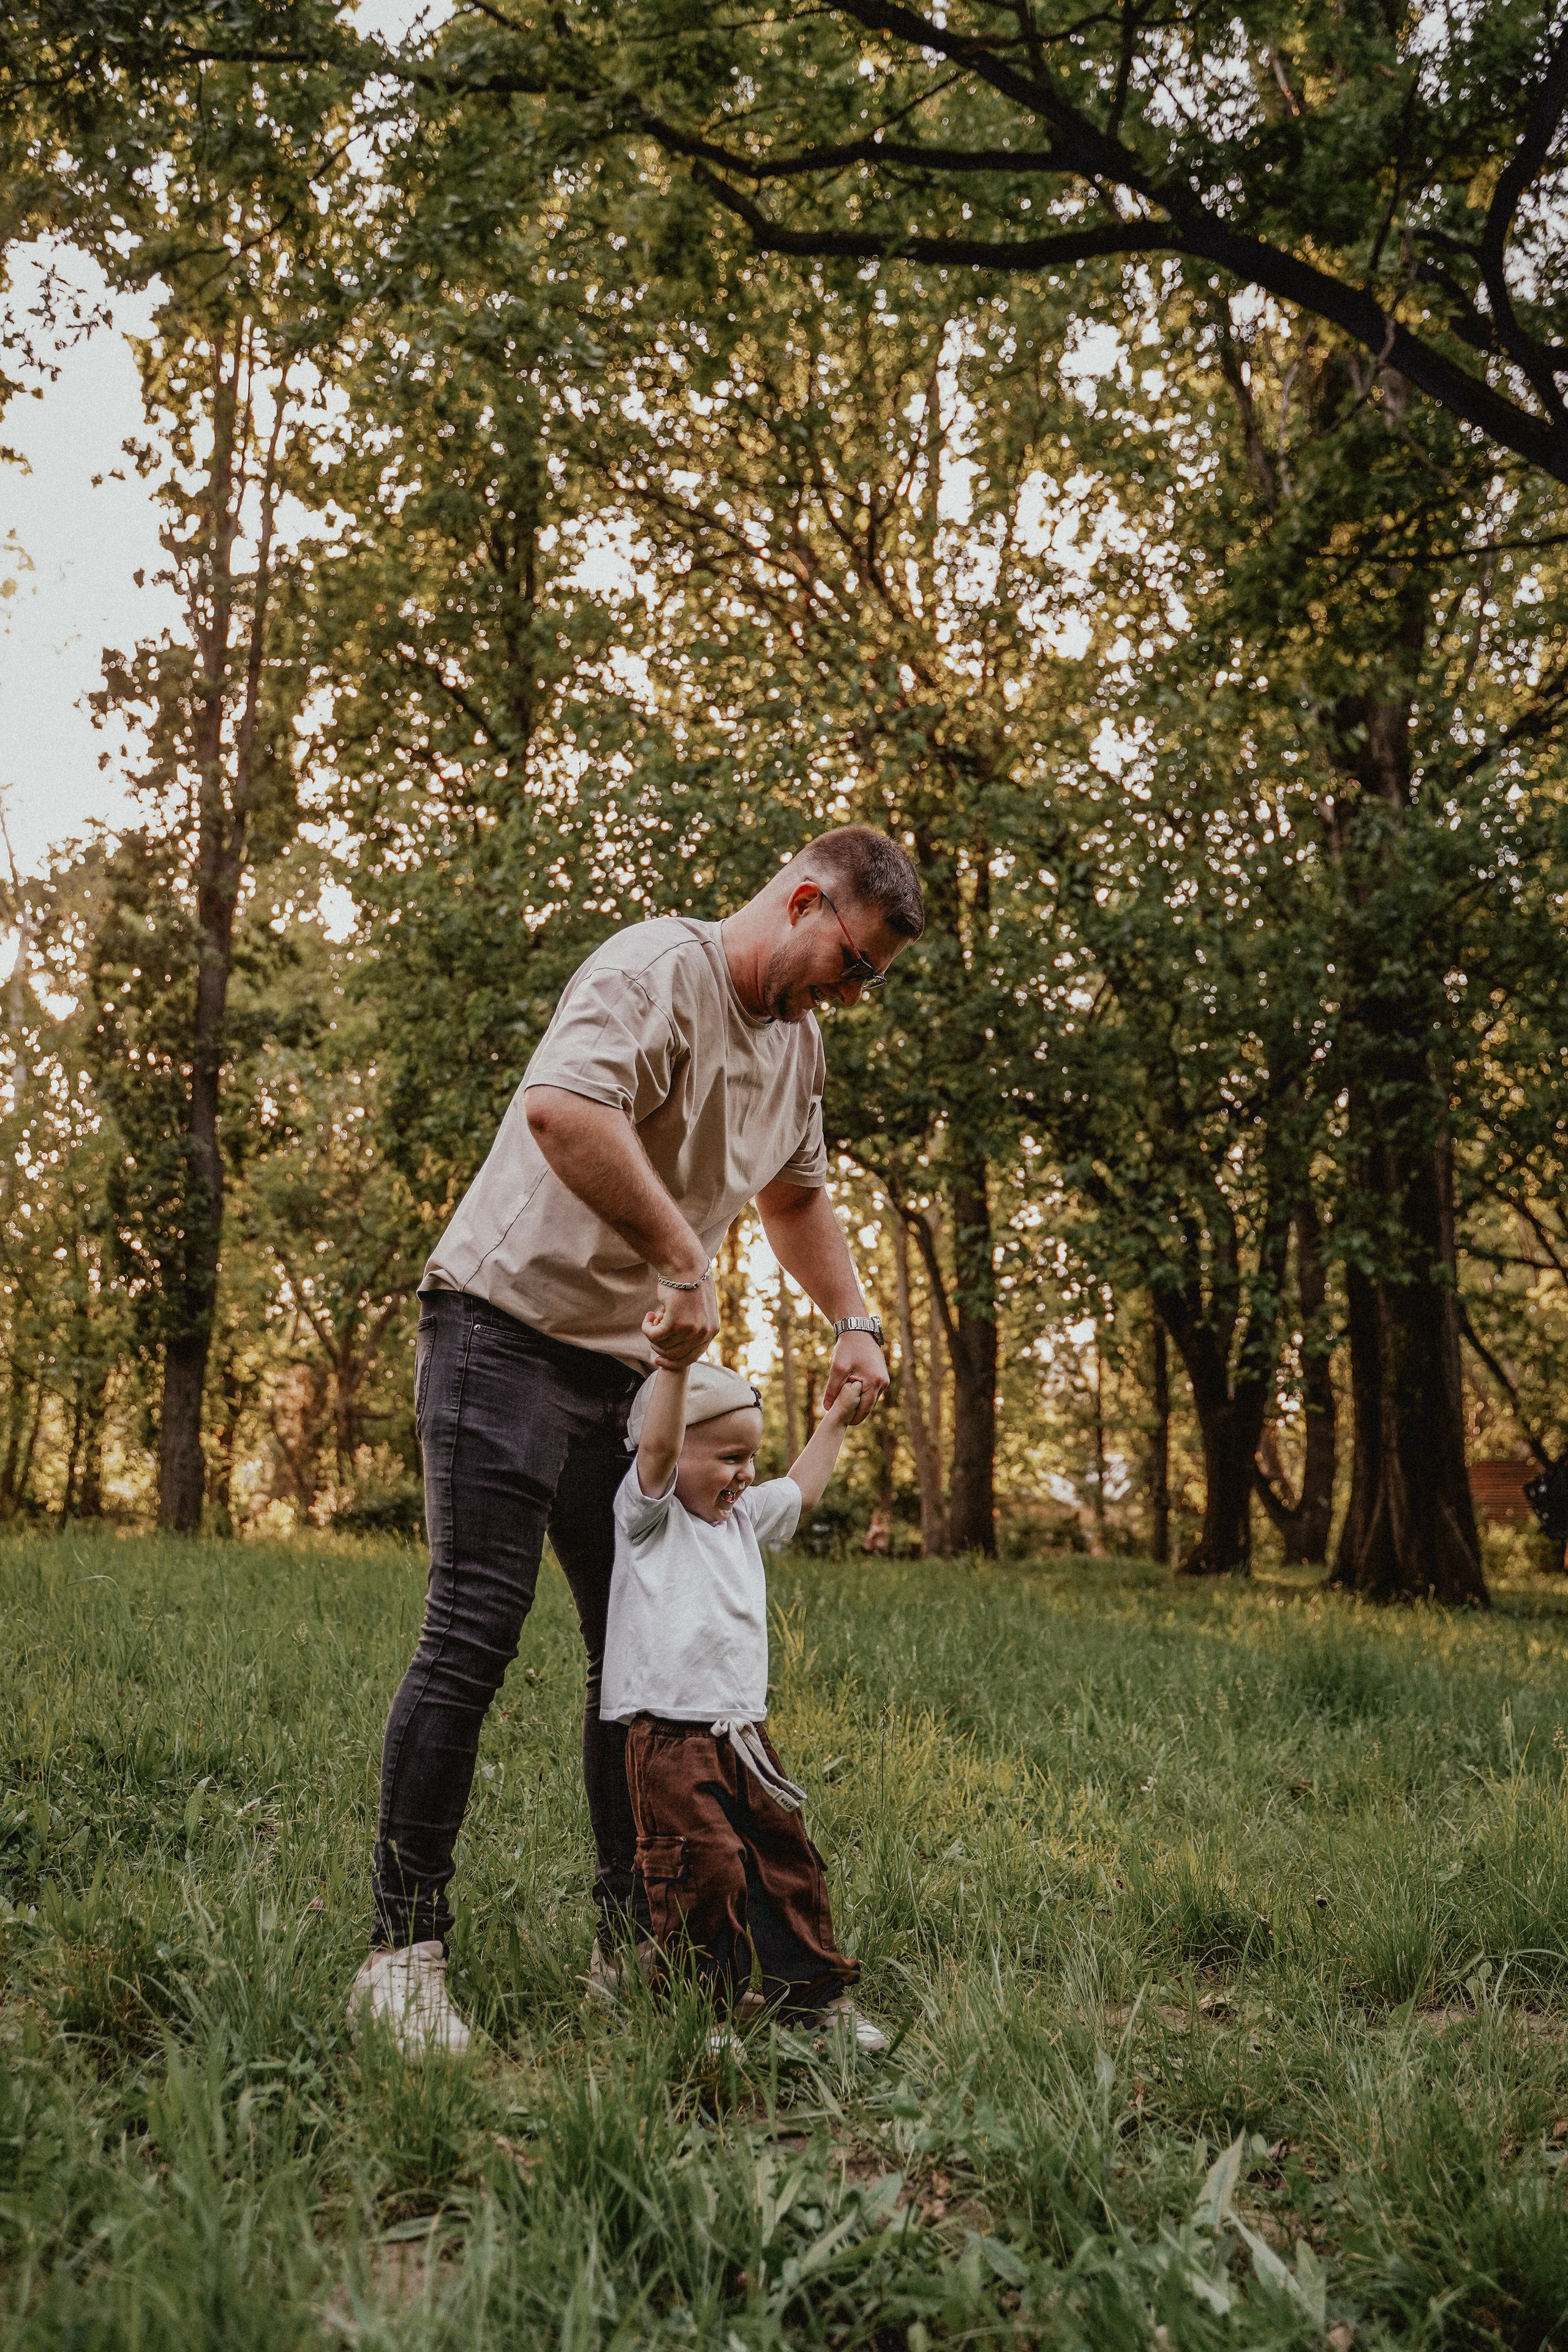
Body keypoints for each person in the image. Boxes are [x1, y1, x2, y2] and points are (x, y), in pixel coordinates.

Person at [349, 826, 925, 2053]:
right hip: (502, 1330)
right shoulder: (655, 970)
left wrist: (855, 1319)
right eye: (851, 961)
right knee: (473, 1634)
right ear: (803, 899)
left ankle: (638, 1942)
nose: (851, 991)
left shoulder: (799, 1048)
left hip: (631, 1377)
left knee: (642, 1667)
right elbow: (561, 1110)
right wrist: (678, 1253)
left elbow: (796, 1194)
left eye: (868, 977)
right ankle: (401, 1954)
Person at [601, 1357, 888, 2051]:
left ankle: (812, 1999)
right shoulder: (649, 1515)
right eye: (729, 1457)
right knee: (703, 1870)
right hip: (668, 1740)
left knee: (784, 1862)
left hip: (745, 1739)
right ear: (670, 1451)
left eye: (751, 1456)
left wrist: (835, 1418)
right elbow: (661, 1446)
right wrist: (673, 1361)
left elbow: (802, 1489)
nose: (746, 1474)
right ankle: (703, 2012)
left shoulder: (740, 1521)